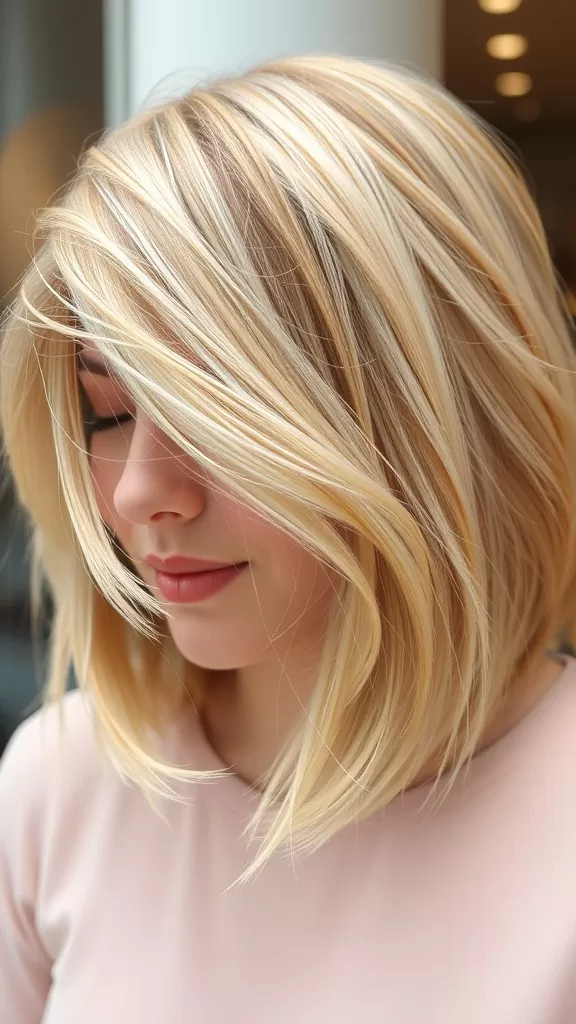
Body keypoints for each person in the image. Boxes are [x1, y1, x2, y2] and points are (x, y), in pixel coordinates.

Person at [1, 54, 575, 1023]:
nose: (141, 492)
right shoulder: (61, 792)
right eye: (106, 412)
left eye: (215, 411)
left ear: (428, 417)